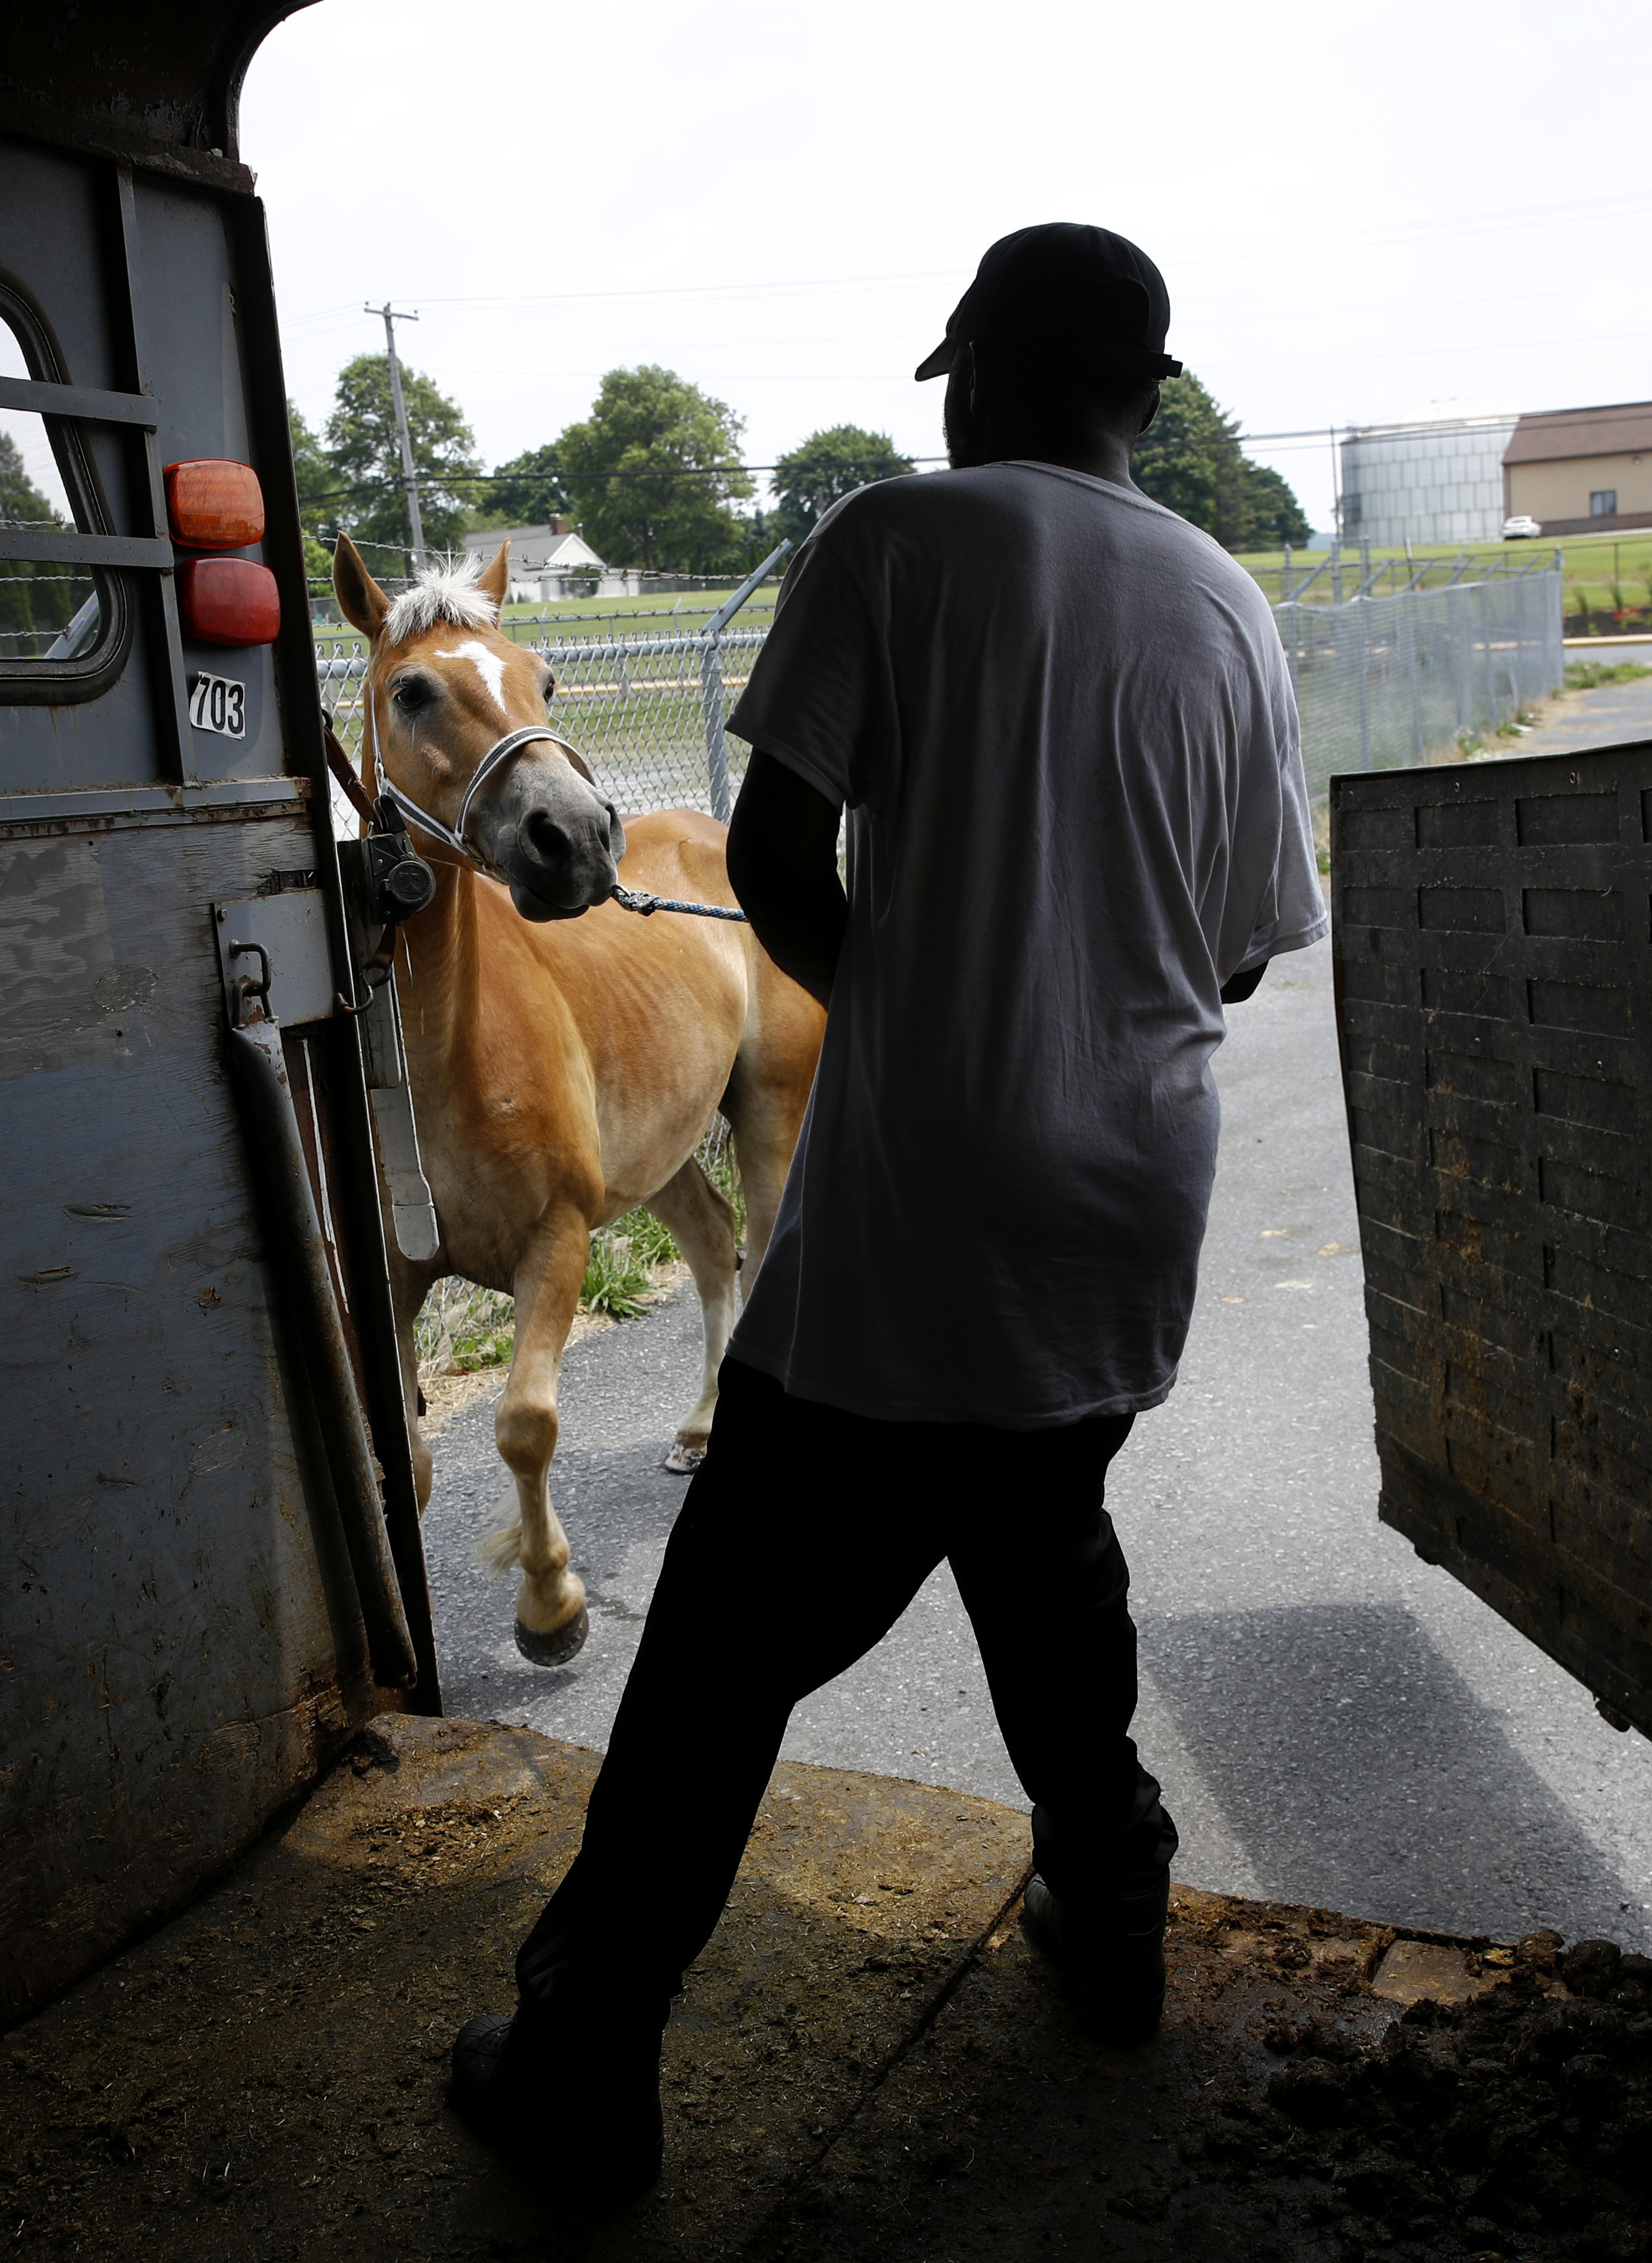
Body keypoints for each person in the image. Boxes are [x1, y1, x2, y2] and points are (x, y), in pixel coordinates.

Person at [446, 221, 1329, 2197]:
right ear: (1151, 398)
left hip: (929, 1211)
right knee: (1036, 1525)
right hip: (1133, 1205)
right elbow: (1252, 952)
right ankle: (1112, 1928)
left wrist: (931, 1017)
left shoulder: (900, 540)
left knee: (723, 1652)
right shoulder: (1233, 608)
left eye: (959, 374)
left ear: (985, 375)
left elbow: (770, 845)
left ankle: (585, 2067)